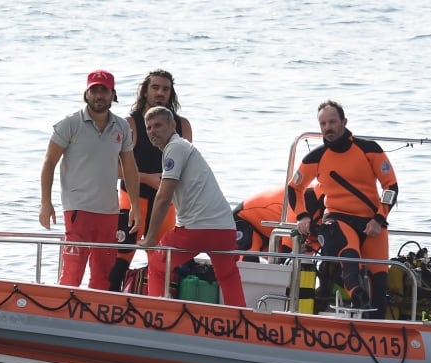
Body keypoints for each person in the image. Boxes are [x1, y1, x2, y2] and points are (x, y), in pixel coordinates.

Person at [288, 100, 398, 318]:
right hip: (337, 219)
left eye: (332, 122)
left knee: (379, 282)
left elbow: (390, 186)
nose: (327, 127)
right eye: (322, 124)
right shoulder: (316, 158)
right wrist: (302, 216)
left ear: (344, 122)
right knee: (349, 256)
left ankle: (377, 329)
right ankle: (356, 294)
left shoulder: (369, 149)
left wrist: (379, 218)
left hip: (372, 222)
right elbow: (294, 187)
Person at [39, 69, 141, 290]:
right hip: (78, 209)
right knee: (72, 273)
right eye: (94, 90)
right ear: (86, 93)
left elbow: (130, 168)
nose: (99, 96)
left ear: (112, 94)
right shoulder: (70, 124)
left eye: (103, 90)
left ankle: (96, 320)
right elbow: (49, 163)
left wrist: (134, 205)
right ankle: (61, 317)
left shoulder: (121, 127)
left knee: (103, 276)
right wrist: (46, 203)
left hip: (109, 211)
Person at [137, 106, 245, 307]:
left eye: (158, 125)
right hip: (225, 228)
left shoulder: (175, 147)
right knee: (228, 276)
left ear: (172, 125)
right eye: (149, 128)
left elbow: (163, 196)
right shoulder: (185, 148)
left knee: (157, 264)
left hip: (196, 229)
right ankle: (238, 321)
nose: (152, 131)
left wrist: (150, 238)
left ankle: (156, 312)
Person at [108, 69, 193, 291]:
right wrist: (146, 178)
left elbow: (189, 167)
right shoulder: (130, 123)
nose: (160, 93)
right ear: (145, 91)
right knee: (119, 261)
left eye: (165, 89)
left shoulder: (182, 125)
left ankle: (159, 309)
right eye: (155, 88)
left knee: (164, 265)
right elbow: (112, 168)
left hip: (167, 204)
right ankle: (107, 306)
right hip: (133, 201)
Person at [233, 185, 323, 262]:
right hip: (245, 221)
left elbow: (316, 243)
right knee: (247, 263)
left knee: (302, 265)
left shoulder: (329, 210)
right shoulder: (305, 197)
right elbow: (290, 237)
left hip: (274, 236)